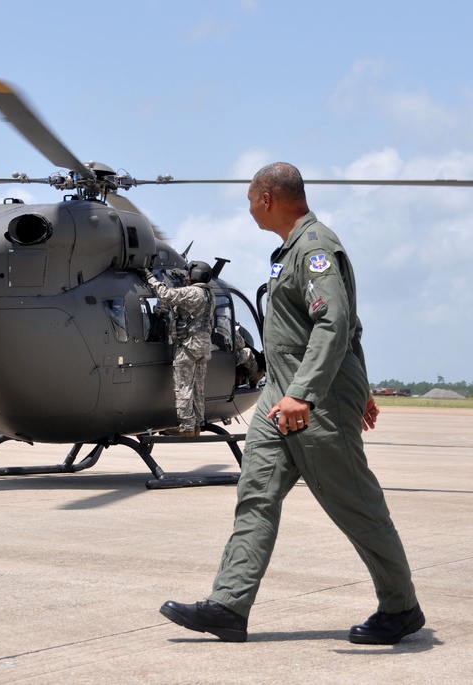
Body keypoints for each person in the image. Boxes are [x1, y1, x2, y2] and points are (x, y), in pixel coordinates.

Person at [159, 162, 423, 645]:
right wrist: (351, 385)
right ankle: (228, 606)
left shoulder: (316, 248)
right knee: (255, 496)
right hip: (279, 397)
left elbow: (336, 323)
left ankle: (401, 607)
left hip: (310, 401)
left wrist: (312, 392)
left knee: (353, 503)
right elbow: (341, 329)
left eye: (249, 200)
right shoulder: (288, 251)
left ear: (266, 199)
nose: (249, 209)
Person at [140, 261, 215, 438]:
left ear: (195, 275)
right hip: (203, 346)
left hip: (188, 346)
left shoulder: (192, 293)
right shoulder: (209, 295)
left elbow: (165, 294)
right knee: (198, 387)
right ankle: (197, 424)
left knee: (184, 386)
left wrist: (149, 277)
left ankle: (186, 427)